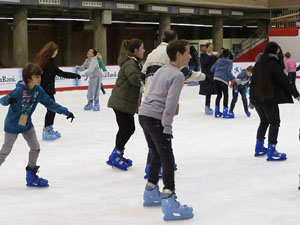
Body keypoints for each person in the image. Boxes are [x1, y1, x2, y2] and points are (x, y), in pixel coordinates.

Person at [139, 40, 193, 221]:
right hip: (155, 117)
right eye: (188, 52)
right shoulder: (177, 75)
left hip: (144, 114)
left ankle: (150, 191)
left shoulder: (162, 70)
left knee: (156, 153)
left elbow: (150, 92)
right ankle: (169, 201)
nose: (190, 56)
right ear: (178, 54)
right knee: (167, 157)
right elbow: (170, 104)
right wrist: (167, 128)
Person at [141, 30, 205, 178]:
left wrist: (147, 90)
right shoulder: (171, 55)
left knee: (155, 135)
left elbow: (142, 75)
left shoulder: (151, 54)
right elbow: (185, 74)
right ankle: (156, 166)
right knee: (162, 132)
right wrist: (203, 76)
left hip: (149, 98)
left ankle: (154, 165)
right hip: (162, 98)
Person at [0, 63, 75, 187]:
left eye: (40, 76)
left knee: (35, 148)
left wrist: (66, 112)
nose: (40, 79)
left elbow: (50, 103)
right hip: (12, 126)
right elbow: (3, 100)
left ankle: (31, 176)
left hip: (27, 124)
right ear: (29, 78)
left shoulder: (38, 91)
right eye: (37, 77)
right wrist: (8, 100)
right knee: (5, 152)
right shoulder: (19, 90)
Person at [250, 42, 300, 160]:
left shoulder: (259, 63)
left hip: (257, 98)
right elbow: (284, 80)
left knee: (264, 121)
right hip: (267, 97)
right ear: (275, 51)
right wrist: (296, 94)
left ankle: (259, 147)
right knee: (274, 122)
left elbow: (252, 82)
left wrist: (251, 99)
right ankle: (272, 151)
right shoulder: (272, 63)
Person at [106, 39, 145, 171]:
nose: (144, 50)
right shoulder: (130, 64)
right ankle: (116, 155)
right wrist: (147, 78)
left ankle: (118, 154)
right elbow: (135, 79)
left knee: (125, 128)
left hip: (123, 101)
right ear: (135, 51)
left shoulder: (133, 63)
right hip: (121, 101)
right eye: (142, 48)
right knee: (128, 128)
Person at [35, 41, 80, 141]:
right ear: (52, 51)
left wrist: (74, 75)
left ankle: (48, 129)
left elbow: (60, 73)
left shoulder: (49, 62)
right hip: (44, 91)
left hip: (46, 91)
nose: (57, 52)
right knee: (52, 109)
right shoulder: (46, 64)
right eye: (56, 50)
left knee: (51, 110)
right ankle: (47, 131)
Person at [211, 49, 235, 118]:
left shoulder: (218, 60)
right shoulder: (229, 62)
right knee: (225, 95)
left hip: (216, 79)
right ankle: (225, 111)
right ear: (228, 55)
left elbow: (212, 69)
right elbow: (228, 72)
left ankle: (216, 110)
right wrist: (233, 78)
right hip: (223, 80)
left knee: (219, 95)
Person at [199, 42, 218, 115]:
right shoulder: (203, 56)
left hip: (212, 76)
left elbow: (216, 63)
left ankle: (210, 106)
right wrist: (211, 56)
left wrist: (217, 57)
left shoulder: (213, 56)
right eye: (210, 48)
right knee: (207, 92)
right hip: (205, 76)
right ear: (206, 48)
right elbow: (204, 64)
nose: (211, 49)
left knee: (211, 91)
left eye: (212, 48)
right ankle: (207, 106)